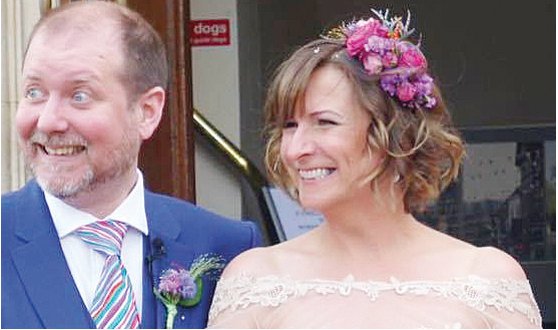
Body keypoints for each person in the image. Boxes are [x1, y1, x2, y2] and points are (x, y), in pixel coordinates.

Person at [207, 8, 542, 328]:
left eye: (324, 122)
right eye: (289, 126)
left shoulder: (486, 280)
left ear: (394, 134)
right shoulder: (255, 281)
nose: (296, 150)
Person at [1, 1, 261, 328]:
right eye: (34, 92)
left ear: (147, 111)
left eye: (79, 95)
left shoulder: (224, 247)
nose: (49, 120)